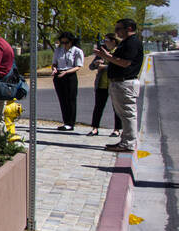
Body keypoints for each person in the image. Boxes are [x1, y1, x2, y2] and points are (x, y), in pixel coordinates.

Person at [95, 18, 143, 153]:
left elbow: (125, 62)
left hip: (125, 82)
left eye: (118, 29)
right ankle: (125, 141)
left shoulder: (132, 43)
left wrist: (107, 56)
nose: (116, 32)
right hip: (119, 83)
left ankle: (128, 143)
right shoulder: (126, 43)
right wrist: (106, 55)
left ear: (128, 29)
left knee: (128, 114)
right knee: (124, 114)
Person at [87, 32, 122, 137]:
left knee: (116, 107)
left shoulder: (119, 51)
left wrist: (105, 67)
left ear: (113, 41)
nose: (104, 42)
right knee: (98, 106)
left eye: (106, 40)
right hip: (101, 83)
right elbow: (91, 67)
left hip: (114, 83)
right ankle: (95, 128)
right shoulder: (102, 51)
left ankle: (117, 129)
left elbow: (120, 66)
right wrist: (95, 64)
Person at [50, 31, 84, 131]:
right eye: (62, 42)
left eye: (66, 42)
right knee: (62, 99)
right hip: (59, 75)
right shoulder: (58, 50)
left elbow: (78, 66)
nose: (64, 44)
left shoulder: (77, 51)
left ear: (71, 41)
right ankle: (65, 122)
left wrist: (66, 72)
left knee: (71, 100)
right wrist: (54, 69)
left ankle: (71, 122)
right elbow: (54, 63)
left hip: (70, 75)